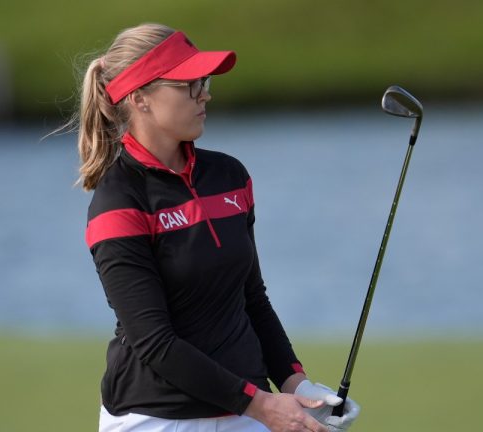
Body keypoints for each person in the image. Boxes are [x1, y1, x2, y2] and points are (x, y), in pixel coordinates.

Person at [72, 23, 360, 432]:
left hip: (243, 409)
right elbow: (155, 342)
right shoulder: (118, 201)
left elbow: (251, 299)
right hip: (157, 418)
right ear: (140, 98)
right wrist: (262, 406)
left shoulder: (229, 176)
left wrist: (299, 386)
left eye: (203, 80)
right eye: (189, 83)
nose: (205, 92)